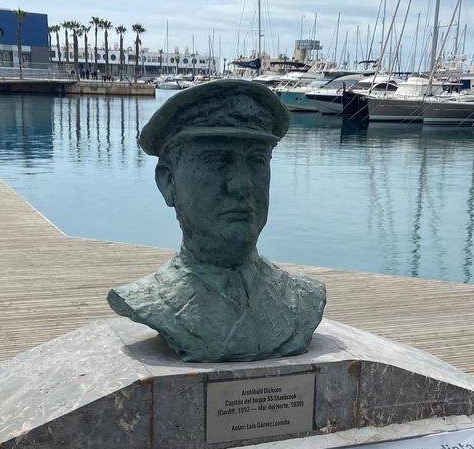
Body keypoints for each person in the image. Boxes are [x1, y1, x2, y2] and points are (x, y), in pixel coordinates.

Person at [107, 80, 325, 362]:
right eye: (216, 160)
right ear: (168, 181)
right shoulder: (150, 300)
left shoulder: (303, 299)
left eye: (257, 161)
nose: (242, 184)